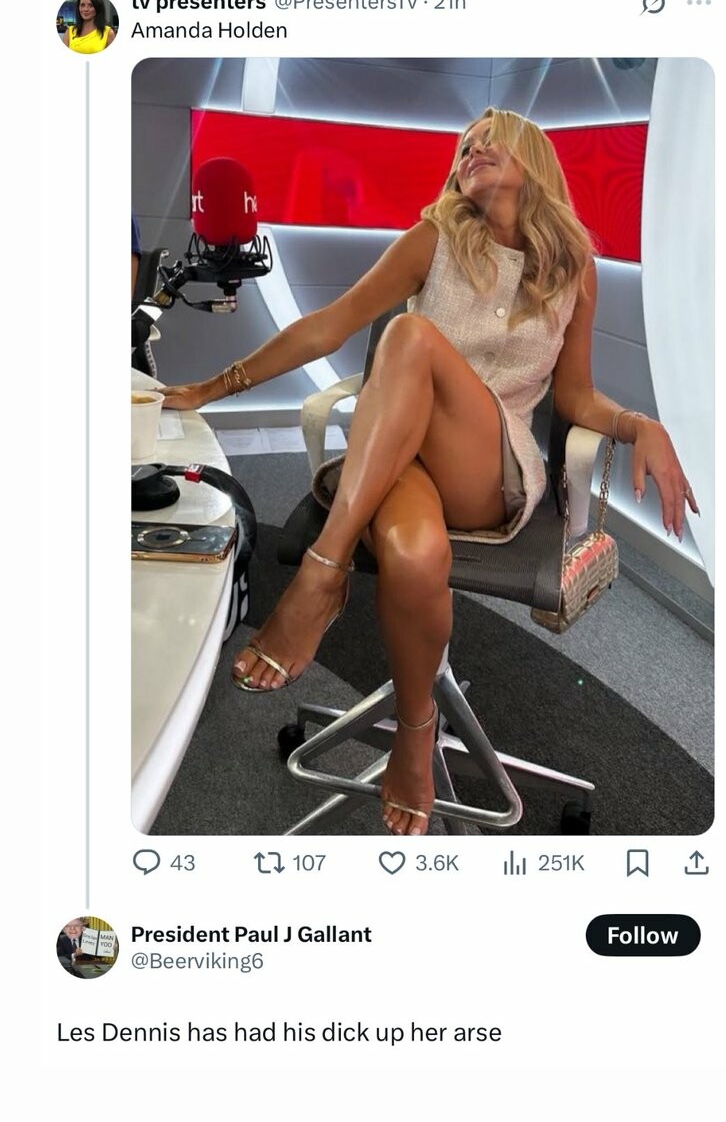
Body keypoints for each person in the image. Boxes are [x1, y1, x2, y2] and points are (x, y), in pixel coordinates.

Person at [161, 108, 698, 837]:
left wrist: (640, 425)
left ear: (532, 159)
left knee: (411, 336)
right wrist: (211, 387)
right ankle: (415, 737)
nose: (471, 150)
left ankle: (323, 572)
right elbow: (329, 325)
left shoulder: (573, 269)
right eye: (465, 146)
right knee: (414, 554)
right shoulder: (435, 238)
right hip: (400, 460)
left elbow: (573, 396)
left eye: (489, 142)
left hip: (490, 471)